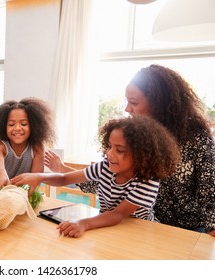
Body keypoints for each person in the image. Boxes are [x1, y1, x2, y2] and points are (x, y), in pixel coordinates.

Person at [45, 64, 215, 237]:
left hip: (187, 232)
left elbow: (209, 191)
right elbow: (113, 185)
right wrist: (64, 171)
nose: (127, 109)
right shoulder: (137, 137)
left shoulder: (196, 138)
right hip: (144, 227)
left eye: (133, 102)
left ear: (159, 103)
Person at [12, 116, 180, 238]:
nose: (110, 154)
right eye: (109, 146)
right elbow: (64, 179)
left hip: (140, 233)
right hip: (107, 227)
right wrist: (39, 177)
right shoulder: (105, 166)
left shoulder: (147, 181)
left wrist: (83, 223)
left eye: (119, 150)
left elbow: (117, 214)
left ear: (143, 155)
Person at [0, 97, 56, 193]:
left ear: (33, 126)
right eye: (11, 124)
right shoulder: (0, 145)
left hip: (26, 193)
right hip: (3, 192)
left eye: (24, 124)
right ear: (3, 126)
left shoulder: (37, 147)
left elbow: (35, 179)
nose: (17, 128)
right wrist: (0, 172)